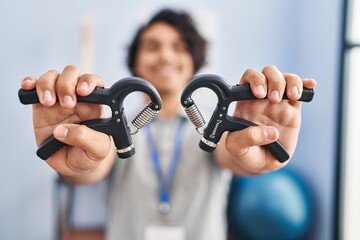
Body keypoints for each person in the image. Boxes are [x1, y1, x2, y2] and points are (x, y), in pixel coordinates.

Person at [20, 8, 316, 240]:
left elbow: (234, 154)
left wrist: (254, 156)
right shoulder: (110, 126)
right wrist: (76, 163)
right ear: (134, 63)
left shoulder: (219, 127)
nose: (165, 55)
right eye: (152, 46)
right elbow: (96, 161)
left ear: (194, 61)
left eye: (178, 47)